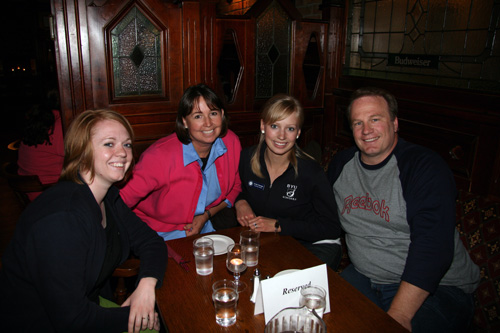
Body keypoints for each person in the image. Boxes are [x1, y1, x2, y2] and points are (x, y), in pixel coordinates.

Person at [327, 87, 479, 332]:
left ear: (395, 123)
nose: (366, 131)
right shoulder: (342, 165)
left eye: (375, 119)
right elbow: (321, 213)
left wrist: (399, 314)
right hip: (365, 277)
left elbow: (434, 247)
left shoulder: (423, 167)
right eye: (358, 122)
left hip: (436, 289)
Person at [0, 109, 167, 332]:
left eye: (127, 145)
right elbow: (72, 320)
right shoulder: (62, 219)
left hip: (88, 308)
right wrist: (136, 317)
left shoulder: (107, 197)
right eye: (109, 144)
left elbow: (152, 242)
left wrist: (146, 285)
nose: (123, 153)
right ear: (81, 150)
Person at [120, 84, 242, 240]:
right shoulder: (159, 156)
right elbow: (121, 201)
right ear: (185, 122)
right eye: (198, 116)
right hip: (156, 232)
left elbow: (235, 187)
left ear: (222, 115)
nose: (208, 123)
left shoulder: (230, 142)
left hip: (203, 227)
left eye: (213, 113)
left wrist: (206, 215)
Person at [235, 94, 342, 269]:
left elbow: (331, 227)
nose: (282, 136)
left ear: (298, 132)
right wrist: (240, 202)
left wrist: (278, 225)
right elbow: (242, 189)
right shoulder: (247, 158)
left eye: (290, 129)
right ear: (263, 126)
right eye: (275, 126)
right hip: (279, 243)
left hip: (317, 245)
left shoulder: (310, 171)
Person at [17, 89, 64, 200]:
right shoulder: (59, 125)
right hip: (49, 193)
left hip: (30, 190)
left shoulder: (37, 120)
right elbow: (80, 155)